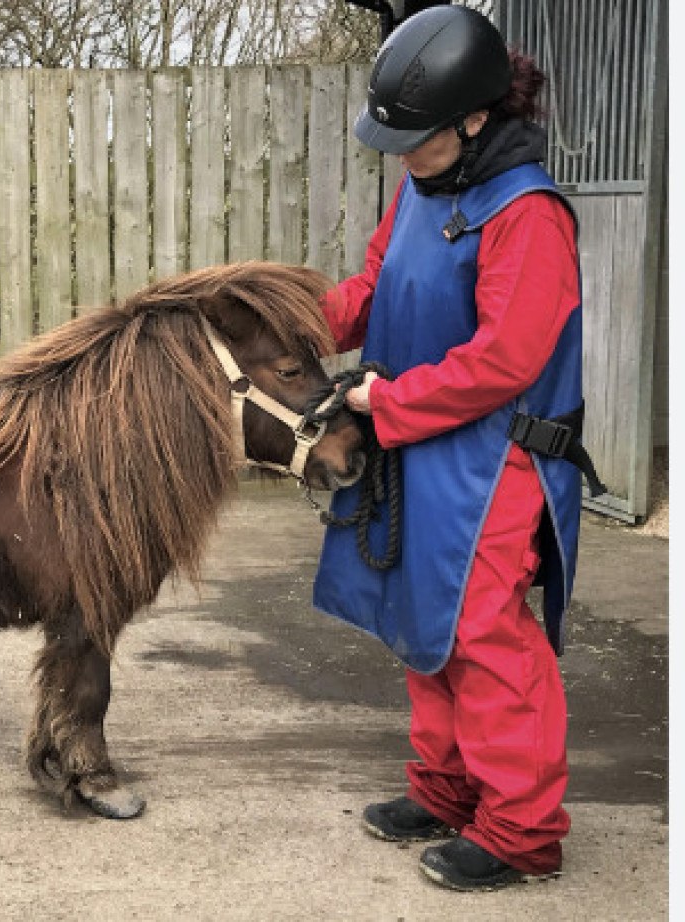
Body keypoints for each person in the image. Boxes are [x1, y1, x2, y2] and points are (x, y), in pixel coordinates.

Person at [311, 5, 596, 892]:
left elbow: (506, 357)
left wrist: (387, 401)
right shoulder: (423, 191)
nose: (401, 154)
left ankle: (520, 830)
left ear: (474, 120)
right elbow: (372, 285)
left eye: (416, 139)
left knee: (486, 638)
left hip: (495, 463)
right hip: (416, 444)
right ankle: (446, 787)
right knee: (419, 622)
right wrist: (288, 316)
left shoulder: (528, 215)